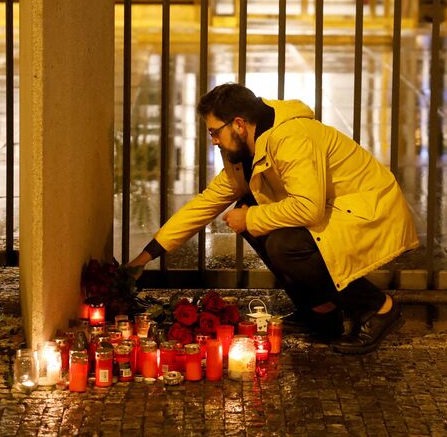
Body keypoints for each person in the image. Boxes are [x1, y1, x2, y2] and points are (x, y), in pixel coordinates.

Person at [125, 83, 420, 354]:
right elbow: (204, 205)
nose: (213, 141)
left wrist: (251, 218)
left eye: (215, 132)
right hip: (333, 211)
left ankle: (379, 308)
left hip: (368, 211)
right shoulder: (244, 152)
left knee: (281, 242)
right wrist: (144, 257)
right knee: (252, 212)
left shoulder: (291, 138)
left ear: (239, 124)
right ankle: (321, 311)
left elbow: (308, 208)